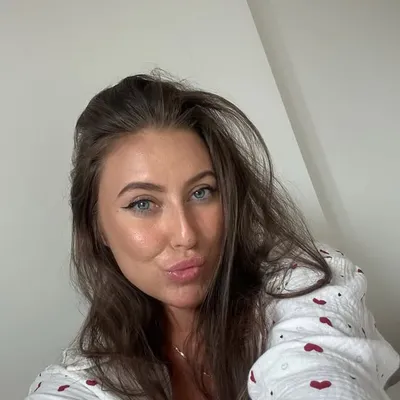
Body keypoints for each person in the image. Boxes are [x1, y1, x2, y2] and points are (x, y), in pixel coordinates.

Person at [26, 72, 399, 400]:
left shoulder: (303, 283)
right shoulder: (83, 379)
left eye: (201, 192)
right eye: (142, 203)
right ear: (97, 228)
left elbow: (316, 366)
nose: (186, 235)